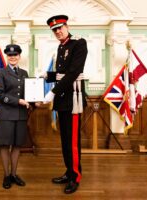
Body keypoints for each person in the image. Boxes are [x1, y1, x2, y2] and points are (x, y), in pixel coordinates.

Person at [43, 14, 88, 194]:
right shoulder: (60, 48)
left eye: (60, 28)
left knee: (73, 142)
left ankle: (76, 176)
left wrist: (52, 91)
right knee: (65, 141)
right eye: (54, 30)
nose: (58, 32)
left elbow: (73, 73)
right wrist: (46, 76)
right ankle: (68, 171)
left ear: (67, 26)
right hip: (62, 100)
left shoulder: (79, 43)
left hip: (72, 100)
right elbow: (61, 74)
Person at [0, 44, 30, 189]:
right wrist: (18, 101)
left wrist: (35, 101)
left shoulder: (25, 73)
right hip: (6, 114)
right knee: (4, 145)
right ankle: (6, 175)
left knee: (17, 145)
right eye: (10, 55)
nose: (12, 57)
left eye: (15, 55)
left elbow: (27, 93)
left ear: (19, 56)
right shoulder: (1, 72)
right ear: (7, 57)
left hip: (21, 115)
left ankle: (14, 175)